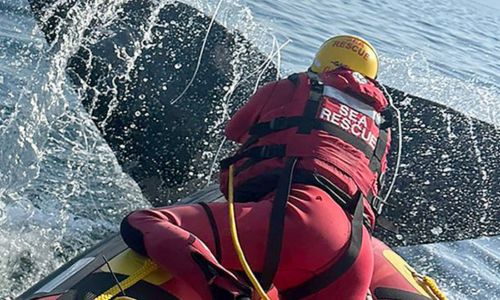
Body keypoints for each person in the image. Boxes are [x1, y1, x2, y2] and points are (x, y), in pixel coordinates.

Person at [120, 35, 432, 300]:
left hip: (296, 220)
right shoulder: (383, 128)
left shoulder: (295, 85)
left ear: (320, 67)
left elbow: (235, 130)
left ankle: (227, 290)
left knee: (141, 222)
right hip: (355, 255)